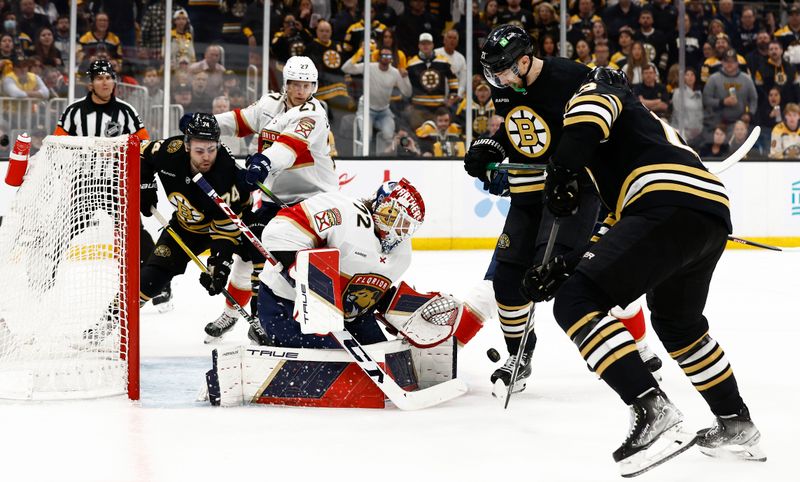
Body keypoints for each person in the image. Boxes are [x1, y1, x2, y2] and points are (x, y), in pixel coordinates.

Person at [521, 67, 765, 475]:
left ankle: (652, 410)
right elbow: (619, 235)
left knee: (577, 302)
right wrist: (565, 266)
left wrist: (561, 171)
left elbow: (589, 114)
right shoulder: (636, 137)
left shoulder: (594, 92)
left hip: (665, 202)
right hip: (705, 213)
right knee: (679, 325)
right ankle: (737, 425)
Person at [463, 25, 660, 396]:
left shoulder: (570, 77)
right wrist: (490, 145)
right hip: (526, 195)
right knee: (507, 282)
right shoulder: (506, 86)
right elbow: (517, 128)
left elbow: (605, 124)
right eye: (493, 72)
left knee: (562, 276)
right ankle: (519, 356)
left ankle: (623, 349)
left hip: (572, 193)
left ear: (524, 61)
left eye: (503, 70)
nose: (497, 79)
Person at [198, 55, 338, 339]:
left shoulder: (314, 114)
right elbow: (240, 122)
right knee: (247, 253)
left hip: (313, 203)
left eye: (307, 85)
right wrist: (207, 124)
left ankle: (299, 323)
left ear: (315, 86)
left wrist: (262, 162)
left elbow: (287, 150)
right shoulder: (269, 104)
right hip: (277, 199)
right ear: (285, 84)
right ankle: (232, 314)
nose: (301, 91)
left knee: (292, 267)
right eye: (296, 84)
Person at [255, 178, 425, 348]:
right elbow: (278, 232)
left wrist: (391, 304)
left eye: (406, 226)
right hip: (285, 303)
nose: (398, 230)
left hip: (349, 317)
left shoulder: (402, 253)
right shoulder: (342, 211)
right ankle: (265, 332)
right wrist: (307, 281)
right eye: (394, 218)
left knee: (383, 361)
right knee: (336, 365)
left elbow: (361, 288)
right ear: (379, 204)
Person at [138, 113, 250, 308]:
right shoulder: (170, 151)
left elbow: (226, 234)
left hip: (234, 227)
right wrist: (146, 186)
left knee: (256, 265)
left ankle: (263, 318)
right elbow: (140, 152)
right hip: (185, 228)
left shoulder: (227, 175)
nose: (206, 157)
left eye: (211, 149)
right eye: (199, 150)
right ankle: (112, 318)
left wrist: (220, 264)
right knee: (151, 278)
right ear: (187, 145)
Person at [342, 46, 412, 154]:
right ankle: (360, 162)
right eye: (383, 55)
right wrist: (358, 54)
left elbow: (407, 93)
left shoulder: (395, 72)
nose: (385, 57)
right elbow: (345, 68)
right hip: (366, 108)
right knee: (367, 137)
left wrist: (405, 77)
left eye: (388, 55)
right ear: (378, 57)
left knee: (389, 136)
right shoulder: (369, 67)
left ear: (392, 58)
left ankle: (383, 161)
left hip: (384, 111)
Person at [703, 49, 758, 132]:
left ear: (737, 63)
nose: (729, 64)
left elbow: (754, 99)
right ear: (722, 62)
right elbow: (706, 100)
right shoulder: (713, 79)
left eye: (732, 62)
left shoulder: (746, 79)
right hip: (717, 123)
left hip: (740, 123)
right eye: (726, 61)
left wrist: (749, 114)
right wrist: (722, 102)